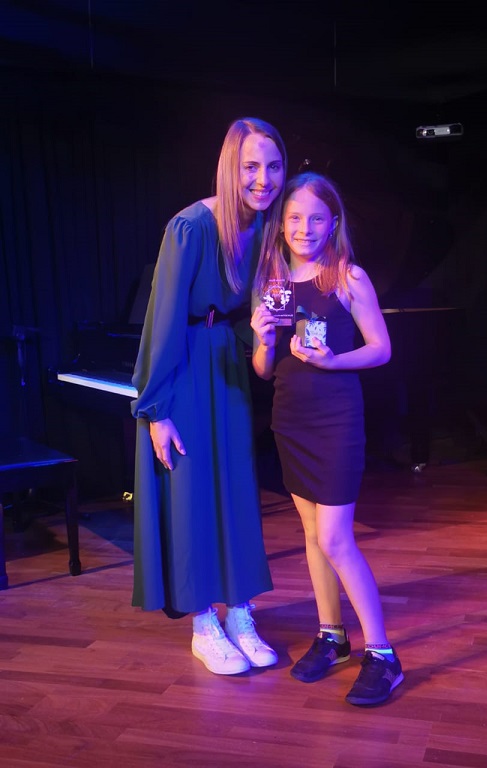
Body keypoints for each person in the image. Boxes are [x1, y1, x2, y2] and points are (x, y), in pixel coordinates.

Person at [131, 117, 287, 676]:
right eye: (251, 166)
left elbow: (248, 312)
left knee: (237, 491)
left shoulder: (265, 228)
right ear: (230, 168)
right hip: (186, 364)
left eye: (273, 166)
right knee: (193, 495)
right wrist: (157, 410)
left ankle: (240, 612)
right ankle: (203, 624)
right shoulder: (191, 227)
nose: (263, 179)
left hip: (227, 366)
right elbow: (164, 320)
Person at [250, 171, 403, 706]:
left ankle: (382, 655)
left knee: (337, 539)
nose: (304, 228)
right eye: (294, 217)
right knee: (313, 536)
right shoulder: (272, 279)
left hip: (336, 421)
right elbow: (263, 369)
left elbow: (381, 348)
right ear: (281, 223)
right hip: (290, 420)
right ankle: (332, 637)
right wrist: (262, 339)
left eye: (316, 218)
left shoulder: (347, 275)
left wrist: (334, 361)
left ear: (333, 222)